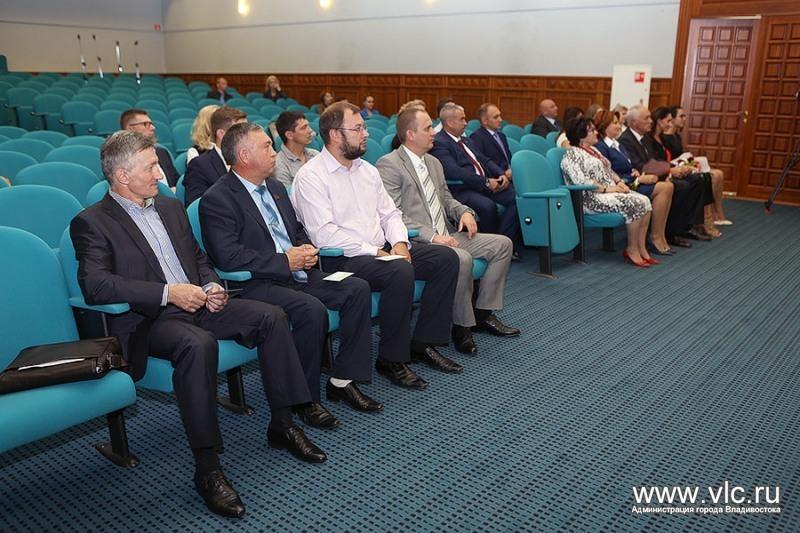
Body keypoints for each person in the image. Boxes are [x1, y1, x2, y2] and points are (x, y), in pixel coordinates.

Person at [70, 130, 325, 519]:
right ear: (122, 175)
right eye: (150, 167)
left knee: (271, 316)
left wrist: (210, 285)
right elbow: (96, 285)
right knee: (197, 344)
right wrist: (168, 293)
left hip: (199, 303)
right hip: (148, 319)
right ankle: (208, 468)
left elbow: (199, 258)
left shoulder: (170, 207)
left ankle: (283, 423)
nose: (160, 173)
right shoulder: (92, 222)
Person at [200, 122, 382, 426]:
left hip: (299, 274)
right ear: (244, 155)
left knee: (356, 288)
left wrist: (305, 247)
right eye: (266, 147)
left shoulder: (274, 188)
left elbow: (295, 229)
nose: (274, 152)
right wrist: (284, 261)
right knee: (311, 310)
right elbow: (227, 256)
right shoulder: (218, 198)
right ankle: (305, 400)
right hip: (258, 284)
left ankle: (343, 380)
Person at [292, 102, 463, 384]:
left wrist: (399, 243)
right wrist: (377, 252)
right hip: (340, 258)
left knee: (444, 258)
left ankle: (423, 343)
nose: (366, 134)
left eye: (364, 128)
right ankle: (391, 359)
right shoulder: (311, 177)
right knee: (399, 270)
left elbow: (390, 213)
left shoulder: (367, 170)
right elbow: (325, 235)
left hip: (380, 251)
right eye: (358, 129)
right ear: (334, 134)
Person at [377, 108, 519, 356]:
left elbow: (446, 198)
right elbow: (394, 214)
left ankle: (482, 313)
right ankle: (462, 327)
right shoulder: (389, 164)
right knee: (461, 258)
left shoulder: (433, 162)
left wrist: (464, 212)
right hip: (419, 241)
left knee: (503, 245)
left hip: (448, 233)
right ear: (410, 134)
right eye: (428, 128)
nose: (434, 132)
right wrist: (432, 236)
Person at [560, 117, 655, 267]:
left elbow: (609, 171)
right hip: (590, 199)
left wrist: (619, 182)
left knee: (645, 201)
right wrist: (610, 189)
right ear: (580, 135)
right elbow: (582, 182)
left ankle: (641, 248)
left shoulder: (594, 150)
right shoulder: (572, 154)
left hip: (609, 192)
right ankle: (631, 249)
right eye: (592, 130)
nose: (596, 133)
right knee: (635, 203)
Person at [430, 103, 520, 247]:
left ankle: (505, 242)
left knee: (516, 198)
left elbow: (485, 160)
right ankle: (492, 246)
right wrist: (485, 182)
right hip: (462, 189)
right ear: (450, 123)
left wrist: (500, 173)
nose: (466, 123)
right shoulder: (440, 143)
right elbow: (455, 172)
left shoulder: (465, 140)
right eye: (462, 119)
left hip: (482, 185)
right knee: (488, 206)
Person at [618, 105, 705, 249]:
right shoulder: (626, 140)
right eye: (646, 118)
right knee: (680, 186)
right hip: (639, 179)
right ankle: (670, 232)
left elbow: (655, 160)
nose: (651, 121)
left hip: (654, 175)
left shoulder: (644, 138)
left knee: (695, 180)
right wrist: (670, 170)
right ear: (634, 122)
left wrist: (672, 169)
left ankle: (685, 227)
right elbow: (640, 166)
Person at [593, 110, 675, 255]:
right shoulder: (601, 147)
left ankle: (660, 235)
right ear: (604, 126)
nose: (619, 126)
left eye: (619, 123)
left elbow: (627, 166)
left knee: (668, 186)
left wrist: (635, 172)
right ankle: (655, 237)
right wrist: (638, 179)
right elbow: (607, 175)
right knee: (664, 188)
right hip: (620, 187)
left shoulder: (617, 144)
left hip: (631, 183)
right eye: (615, 123)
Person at [650, 107, 714, 241]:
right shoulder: (649, 139)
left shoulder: (662, 138)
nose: (670, 124)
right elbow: (653, 163)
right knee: (684, 185)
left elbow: (668, 159)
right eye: (668, 121)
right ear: (660, 121)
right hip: (661, 175)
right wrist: (673, 169)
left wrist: (682, 166)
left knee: (699, 178)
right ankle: (675, 229)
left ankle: (693, 224)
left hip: (670, 170)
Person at [666, 105, 731, 227]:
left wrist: (691, 161)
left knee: (719, 173)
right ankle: (709, 216)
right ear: (672, 119)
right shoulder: (665, 137)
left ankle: (717, 211)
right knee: (712, 176)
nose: (684, 119)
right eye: (681, 116)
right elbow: (670, 160)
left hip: (684, 165)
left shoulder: (676, 136)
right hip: (677, 168)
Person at [183, 106, 247, 206]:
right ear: (221, 134)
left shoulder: (252, 159)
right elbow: (197, 206)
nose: (248, 136)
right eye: (241, 132)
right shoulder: (199, 166)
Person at [120, 108, 180, 187]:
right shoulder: (120, 158)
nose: (153, 128)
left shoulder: (161, 152)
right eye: (146, 124)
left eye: (151, 124)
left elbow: (177, 182)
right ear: (131, 129)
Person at [272, 111, 319, 188]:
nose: (310, 130)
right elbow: (287, 193)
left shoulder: (315, 154)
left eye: (308, 126)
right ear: (289, 135)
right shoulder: (279, 163)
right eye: (304, 128)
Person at [469, 103, 513, 172]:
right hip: (496, 176)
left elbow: (508, 159)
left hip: (511, 174)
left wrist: (511, 170)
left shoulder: (502, 136)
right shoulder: (477, 137)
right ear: (485, 121)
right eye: (496, 117)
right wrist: (502, 173)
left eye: (500, 116)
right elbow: (483, 163)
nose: (500, 120)